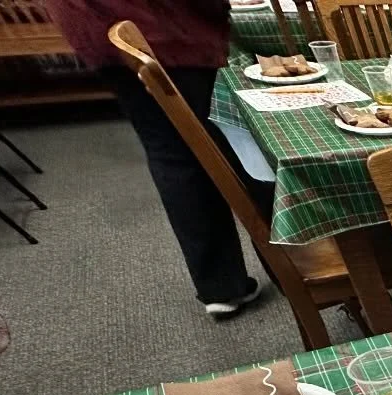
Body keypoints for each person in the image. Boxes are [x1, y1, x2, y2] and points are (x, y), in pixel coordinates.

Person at [45, 0, 263, 317]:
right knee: (238, 146)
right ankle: (304, 265)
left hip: (100, 32)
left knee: (173, 156)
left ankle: (220, 286)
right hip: (167, 34)